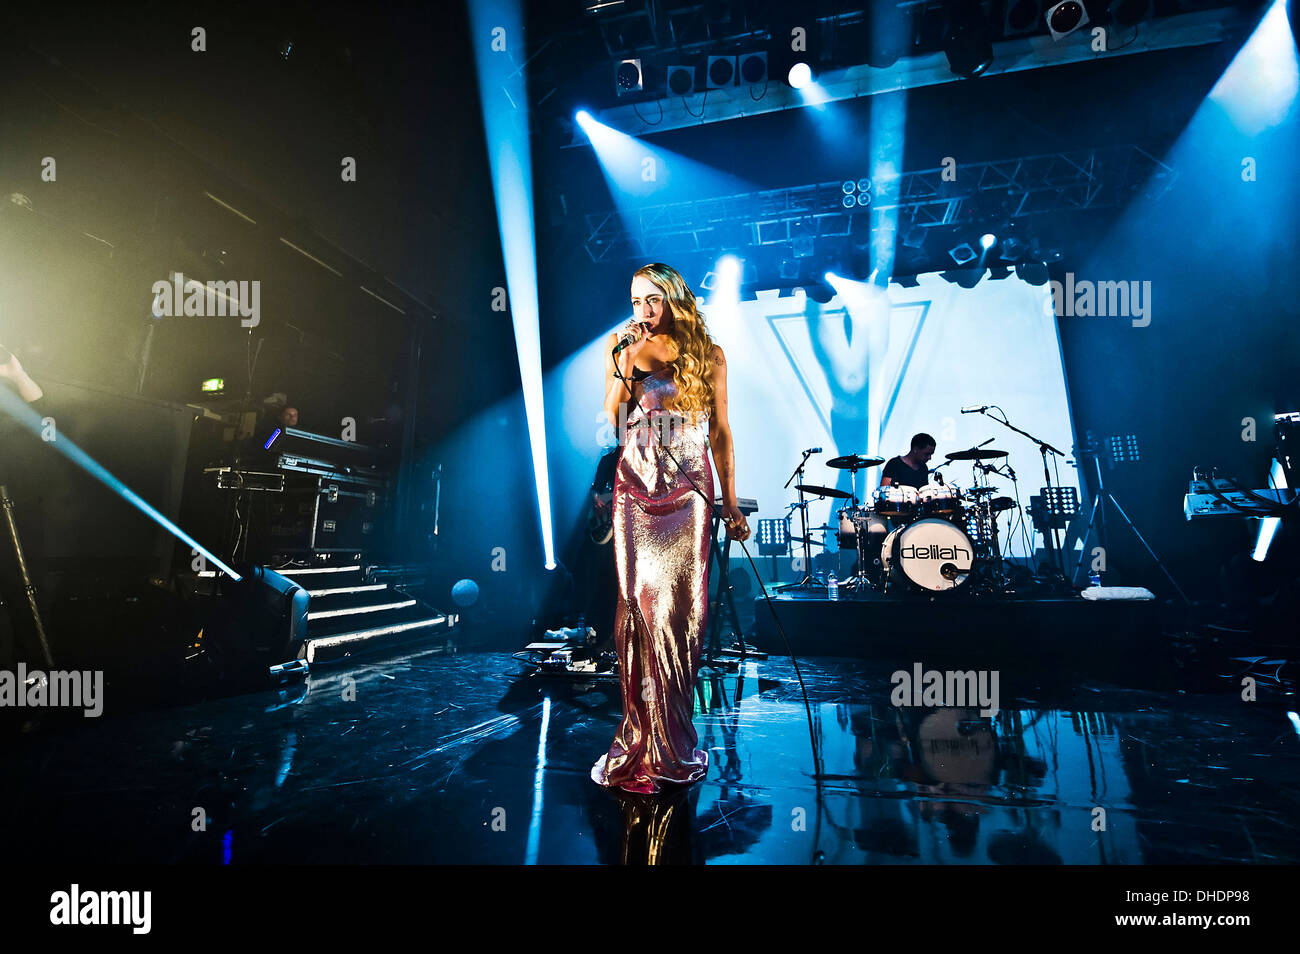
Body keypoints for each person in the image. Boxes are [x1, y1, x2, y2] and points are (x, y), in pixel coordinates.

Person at [591, 263, 748, 795]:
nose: (642, 311)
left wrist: (730, 502)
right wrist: (623, 359)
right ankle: (639, 735)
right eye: (635, 301)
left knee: (683, 611)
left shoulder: (709, 354)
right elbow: (612, 419)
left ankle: (672, 739)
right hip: (636, 484)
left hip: (688, 487)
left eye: (652, 300)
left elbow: (722, 432)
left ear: (676, 298)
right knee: (637, 604)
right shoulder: (624, 346)